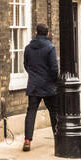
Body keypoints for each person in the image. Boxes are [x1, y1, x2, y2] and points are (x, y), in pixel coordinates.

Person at [22, 23, 59, 152]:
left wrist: (33, 76)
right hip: (48, 85)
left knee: (31, 112)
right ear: (47, 34)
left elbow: (26, 65)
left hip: (33, 85)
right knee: (54, 112)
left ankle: (27, 140)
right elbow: (54, 68)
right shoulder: (50, 48)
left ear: (36, 33)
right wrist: (54, 81)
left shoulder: (28, 48)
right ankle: (57, 138)